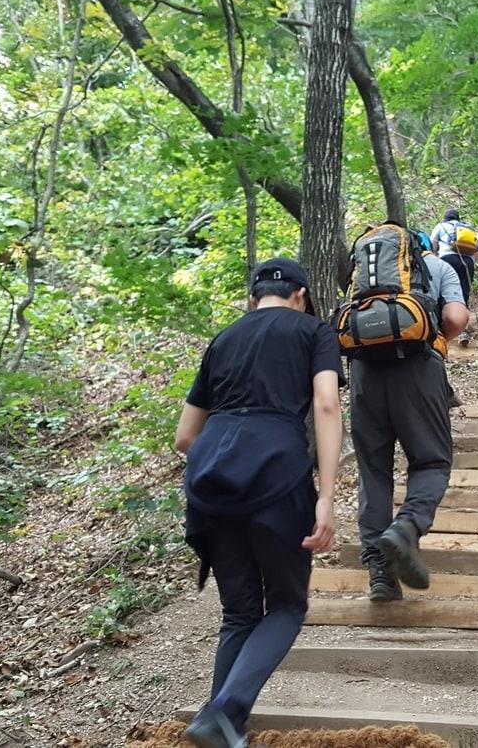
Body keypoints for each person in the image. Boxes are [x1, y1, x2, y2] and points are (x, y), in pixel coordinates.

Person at [173, 257, 342, 748]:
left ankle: (220, 724)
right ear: (301, 296)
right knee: (287, 605)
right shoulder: (313, 332)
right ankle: (223, 716)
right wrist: (326, 496)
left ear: (252, 298)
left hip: (211, 481)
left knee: (240, 612)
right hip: (277, 474)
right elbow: (326, 405)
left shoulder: (223, 339)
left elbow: (185, 436)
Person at [352, 229, 470, 602]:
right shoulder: (436, 266)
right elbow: (455, 316)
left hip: (365, 375)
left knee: (373, 470)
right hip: (418, 369)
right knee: (431, 461)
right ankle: (407, 527)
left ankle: (380, 576)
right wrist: (436, 341)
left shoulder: (361, 277)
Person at [430, 208, 478, 346]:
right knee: (463, 294)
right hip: (467, 262)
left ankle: (440, 329)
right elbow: (476, 249)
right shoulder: (469, 229)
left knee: (442, 293)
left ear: (445, 218)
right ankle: (463, 331)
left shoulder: (441, 226)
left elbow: (433, 247)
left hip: (446, 261)